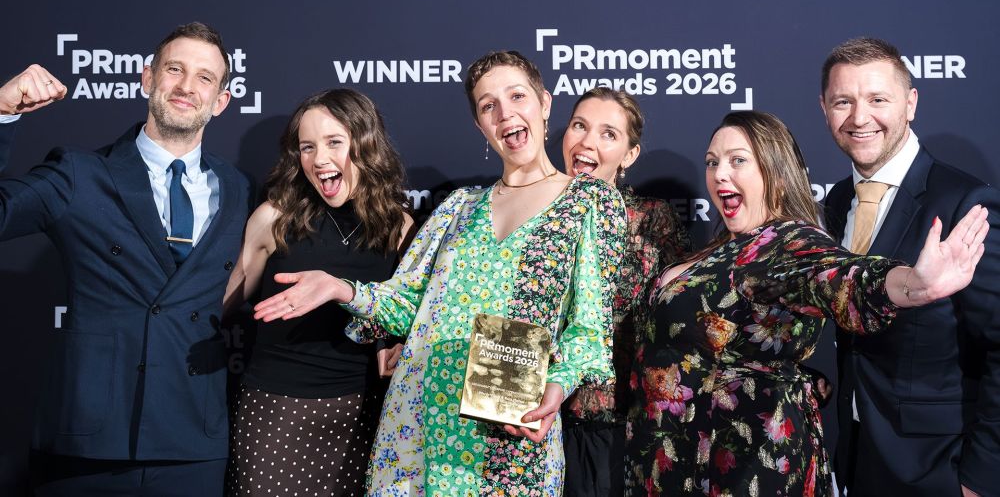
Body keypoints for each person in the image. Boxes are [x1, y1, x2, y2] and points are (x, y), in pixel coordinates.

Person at [252, 51, 627, 495]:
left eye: (517, 96)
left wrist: (557, 387)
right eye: (488, 106)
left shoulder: (589, 202)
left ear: (544, 103)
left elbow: (589, 328)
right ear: (480, 125)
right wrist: (341, 289)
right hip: (417, 425)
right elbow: (406, 304)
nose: (505, 114)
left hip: (509, 431)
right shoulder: (457, 207)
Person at [624, 110, 988, 496]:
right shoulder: (723, 246)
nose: (719, 174)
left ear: (777, 174)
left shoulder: (788, 242)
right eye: (712, 162)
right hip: (669, 459)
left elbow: (841, 276)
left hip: (738, 467)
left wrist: (913, 284)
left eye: (738, 160)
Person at [0, 23, 254, 495]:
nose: (186, 86)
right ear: (146, 78)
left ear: (220, 101)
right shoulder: (79, 173)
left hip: (192, 441)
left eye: (204, 77)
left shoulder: (240, 190)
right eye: (174, 69)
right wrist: (0, 112)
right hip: (86, 440)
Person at [818, 37, 1000, 497]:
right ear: (824, 109)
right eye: (843, 101)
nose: (860, 118)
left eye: (878, 99)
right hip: (856, 460)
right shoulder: (837, 200)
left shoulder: (965, 202)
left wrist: (980, 480)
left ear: (911, 103)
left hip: (939, 468)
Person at [222, 89, 414, 496]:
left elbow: (408, 313)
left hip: (364, 415)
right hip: (276, 413)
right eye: (307, 147)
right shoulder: (273, 219)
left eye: (334, 142)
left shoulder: (399, 227)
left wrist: (396, 344)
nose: (319, 159)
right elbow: (223, 303)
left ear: (365, 143)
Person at [559, 88, 690, 497]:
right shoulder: (534, 215)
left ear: (629, 154)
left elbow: (682, 319)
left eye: (608, 134)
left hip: (622, 425)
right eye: (579, 126)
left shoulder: (652, 220)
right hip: (540, 423)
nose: (587, 142)